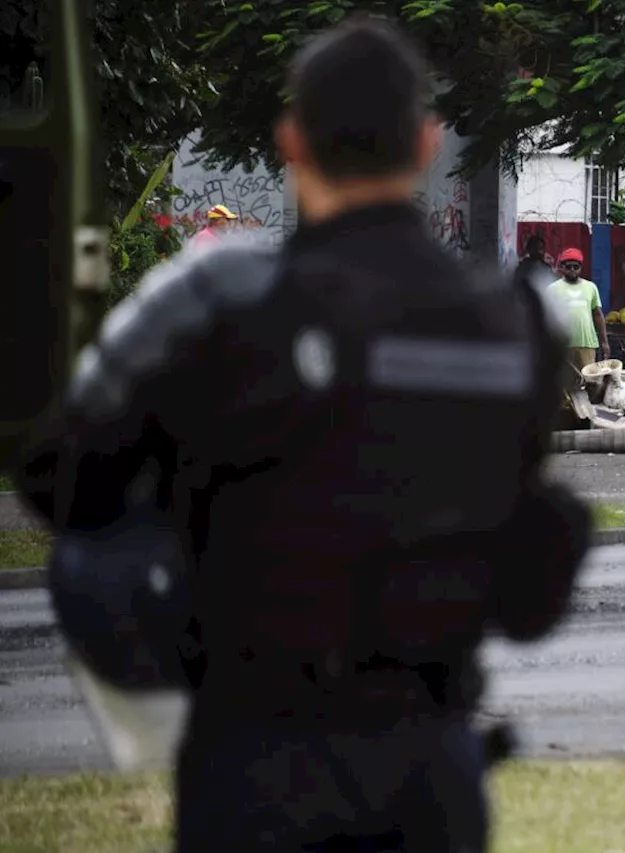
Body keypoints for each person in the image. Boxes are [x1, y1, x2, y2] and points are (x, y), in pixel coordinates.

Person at [13, 17, 590, 853]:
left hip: (253, 757)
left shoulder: (221, 294)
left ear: (291, 141)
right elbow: (531, 571)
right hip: (432, 764)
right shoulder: (513, 323)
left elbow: (55, 470)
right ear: (427, 144)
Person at [547, 247, 609, 369]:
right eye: (568, 267)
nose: (572, 270)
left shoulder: (591, 287)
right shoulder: (552, 289)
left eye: (576, 267)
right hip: (562, 346)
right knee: (564, 384)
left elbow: (597, 314)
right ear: (562, 267)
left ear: (581, 267)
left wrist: (604, 342)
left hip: (587, 344)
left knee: (589, 382)